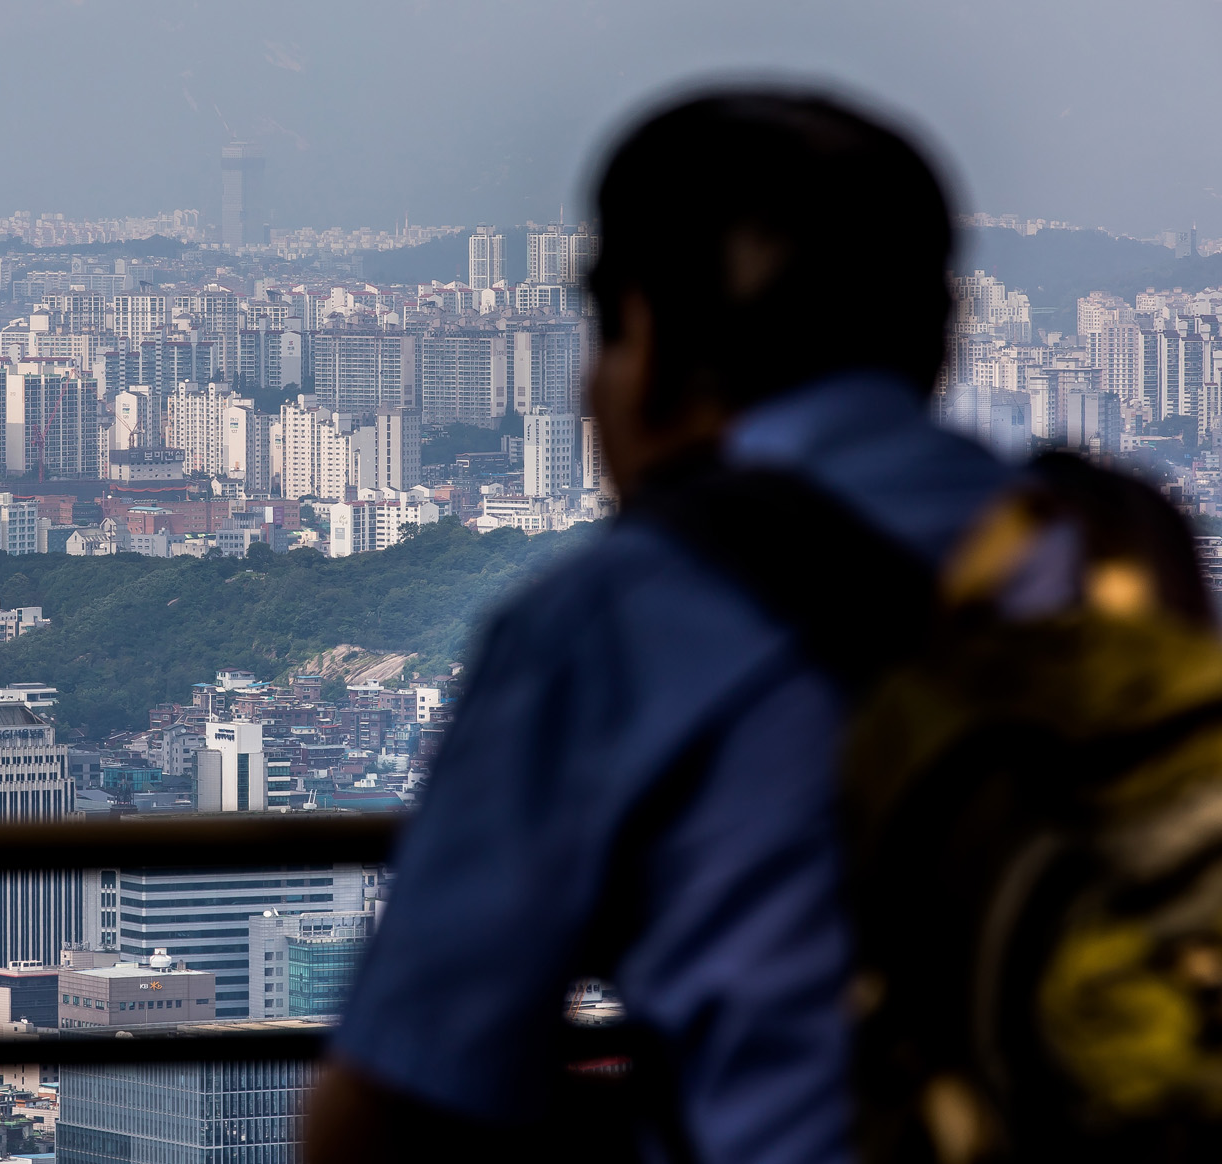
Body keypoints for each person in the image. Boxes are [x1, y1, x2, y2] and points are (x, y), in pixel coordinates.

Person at [308, 91, 1011, 1164]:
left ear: (643, 328)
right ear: (935, 335)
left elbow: (382, 1118)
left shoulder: (616, 620)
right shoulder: (1121, 552)